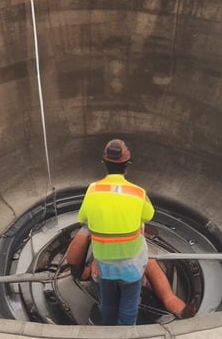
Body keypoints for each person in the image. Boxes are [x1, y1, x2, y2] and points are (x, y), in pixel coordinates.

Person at [77, 139, 155, 325]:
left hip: (105, 265)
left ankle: (107, 330)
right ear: (128, 165)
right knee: (128, 307)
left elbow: (82, 218)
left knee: (108, 304)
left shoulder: (93, 190)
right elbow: (149, 216)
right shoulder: (138, 193)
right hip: (131, 267)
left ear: (104, 163)